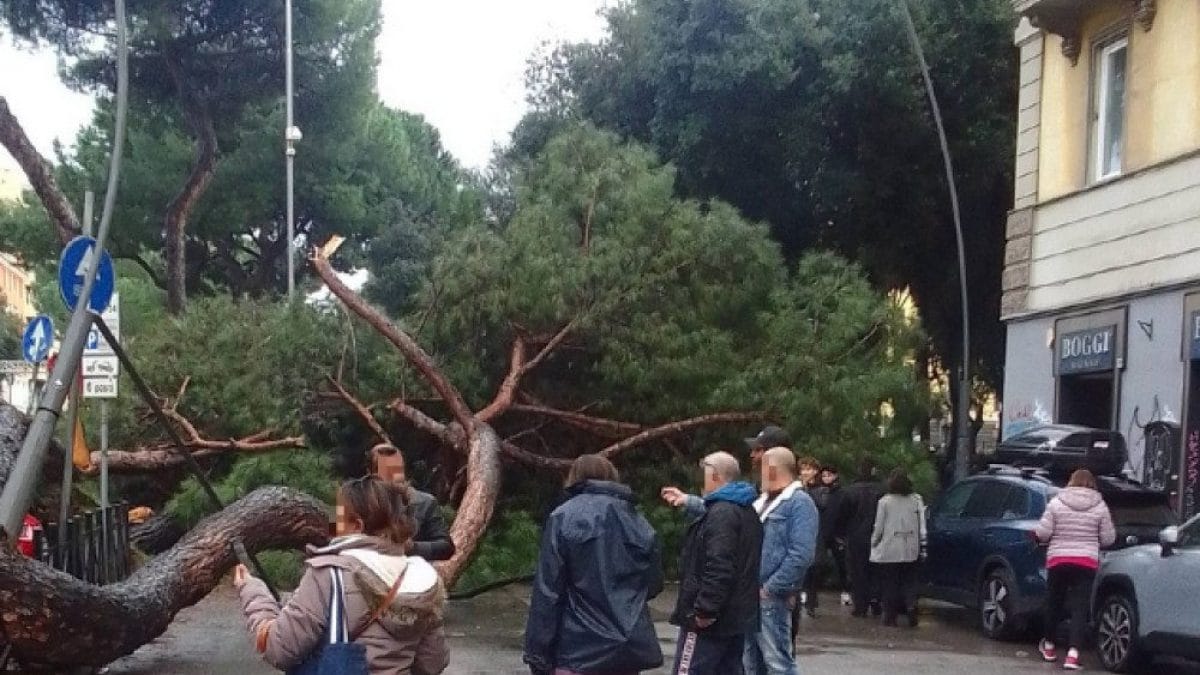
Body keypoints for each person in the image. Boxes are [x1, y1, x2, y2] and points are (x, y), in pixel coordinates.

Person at [236, 476, 449, 674]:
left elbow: (279, 648)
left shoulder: (330, 573)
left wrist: (253, 591)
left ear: (357, 525)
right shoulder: (421, 579)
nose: (332, 525)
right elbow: (433, 662)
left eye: (338, 518)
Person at [524, 455, 664, 675]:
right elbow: (654, 584)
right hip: (627, 652)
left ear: (575, 477)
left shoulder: (563, 517)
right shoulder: (638, 521)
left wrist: (537, 654)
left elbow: (548, 592)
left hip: (576, 650)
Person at [668, 451, 762, 675]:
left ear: (715, 477)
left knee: (688, 670)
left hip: (711, 619)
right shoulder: (745, 509)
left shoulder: (721, 513)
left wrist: (704, 610)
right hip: (735, 617)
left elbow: (719, 565)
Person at [744, 448, 817, 675]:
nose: (759, 474)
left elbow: (802, 554)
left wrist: (772, 588)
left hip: (771, 597)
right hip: (752, 595)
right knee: (751, 664)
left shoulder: (800, 503)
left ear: (772, 470)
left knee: (778, 664)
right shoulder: (763, 501)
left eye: (763, 468)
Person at [1035, 469, 1116, 671]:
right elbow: (1108, 539)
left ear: (1071, 481)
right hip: (1086, 562)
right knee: (1079, 609)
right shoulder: (1100, 506)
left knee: (1054, 603)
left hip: (1059, 560)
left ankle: (1049, 647)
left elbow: (1043, 533)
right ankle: (1073, 655)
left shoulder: (1056, 502)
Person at [370, 443, 456, 561]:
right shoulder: (355, 503)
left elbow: (446, 547)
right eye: (388, 472)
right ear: (371, 474)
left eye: (398, 470)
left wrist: (412, 547)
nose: (396, 477)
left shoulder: (426, 502)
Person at [870, 469, 926, 628]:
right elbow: (922, 524)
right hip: (911, 546)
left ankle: (890, 616)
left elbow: (879, 526)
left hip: (890, 547)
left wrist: (874, 543)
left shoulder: (884, 502)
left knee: (890, 583)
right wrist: (922, 543)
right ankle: (911, 605)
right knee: (909, 580)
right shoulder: (916, 499)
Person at [835, 459, 885, 618]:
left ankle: (861, 605)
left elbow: (842, 515)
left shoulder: (850, 492)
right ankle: (876, 600)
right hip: (878, 535)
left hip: (855, 536)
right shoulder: (882, 491)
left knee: (858, 571)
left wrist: (840, 534)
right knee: (876, 570)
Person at [818, 466, 850, 607]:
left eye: (829, 475)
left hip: (837, 534)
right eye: (824, 475)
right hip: (823, 533)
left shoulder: (842, 494)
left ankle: (846, 591)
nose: (826, 478)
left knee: (842, 565)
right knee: (817, 563)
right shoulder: (821, 493)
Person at [796, 456, 822, 619]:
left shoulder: (820, 490)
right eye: (803, 469)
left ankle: (811, 602)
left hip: (816, 533)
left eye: (809, 469)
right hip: (801, 531)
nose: (805, 472)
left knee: (814, 568)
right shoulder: (797, 488)